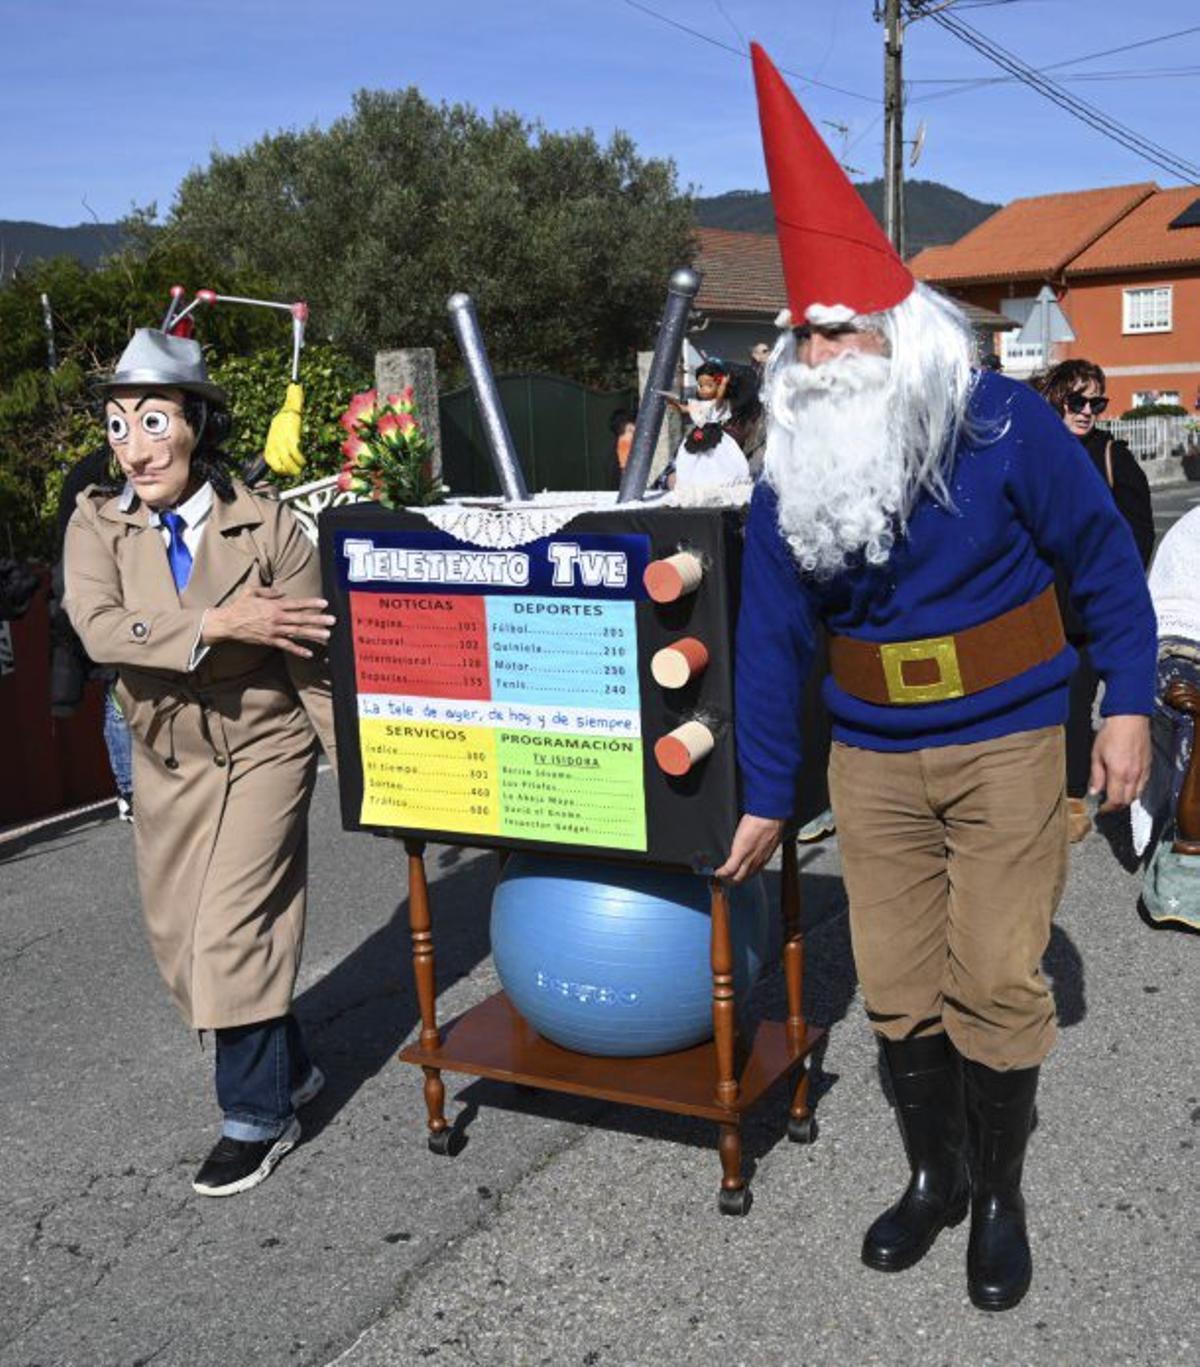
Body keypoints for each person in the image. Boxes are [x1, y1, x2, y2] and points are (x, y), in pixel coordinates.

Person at [718, 46, 1155, 1312]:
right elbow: (775, 643)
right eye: (805, 336)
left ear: (901, 331)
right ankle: (938, 1175)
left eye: (844, 326)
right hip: (869, 754)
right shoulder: (791, 467)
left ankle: (1003, 1195)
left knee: (998, 976)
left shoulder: (1007, 427)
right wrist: (761, 789)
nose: (822, 351)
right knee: (901, 985)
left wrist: (1124, 698)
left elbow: (1106, 566)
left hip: (1013, 737)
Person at [64, 327, 338, 1197]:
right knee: (183, 941)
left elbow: (312, 657)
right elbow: (98, 627)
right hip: (164, 757)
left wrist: (368, 774)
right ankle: (290, 1065)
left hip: (264, 744)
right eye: (117, 427)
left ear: (196, 425)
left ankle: (256, 1116)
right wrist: (217, 624)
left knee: (231, 928)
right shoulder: (95, 522)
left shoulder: (271, 527)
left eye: (151, 423)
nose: (133, 448)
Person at [1032, 360, 1154, 842]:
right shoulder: (1035, 456)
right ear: (1054, 399)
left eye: (1095, 402)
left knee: (1079, 701)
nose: (1086, 411)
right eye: (1076, 401)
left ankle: (1072, 800)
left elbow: (1138, 532)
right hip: (1041, 607)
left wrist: (1111, 587)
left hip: (1087, 610)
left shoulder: (1111, 456)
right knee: (1053, 703)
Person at [50, 447, 135, 819]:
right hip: (105, 591)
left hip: (106, 589)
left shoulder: (90, 470)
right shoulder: (96, 475)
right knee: (119, 691)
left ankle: (132, 788)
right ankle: (131, 789)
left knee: (119, 690)